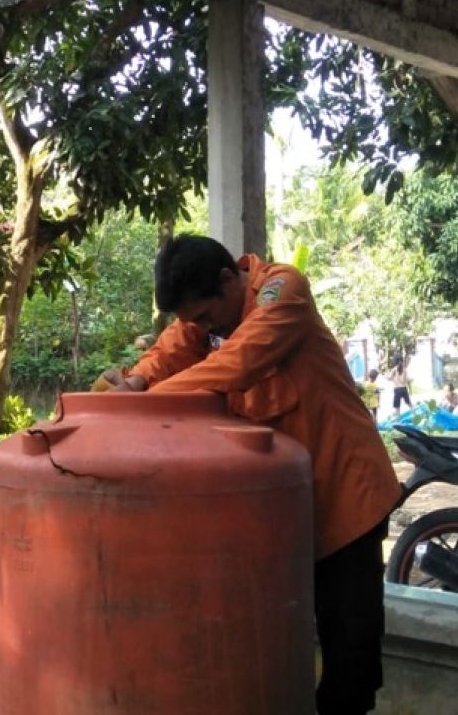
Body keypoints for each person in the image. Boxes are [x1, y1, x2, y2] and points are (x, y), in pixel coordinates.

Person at [94, 235, 401, 715]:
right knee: (278, 643)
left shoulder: (283, 294)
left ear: (226, 280)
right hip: (282, 511)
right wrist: (136, 380)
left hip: (345, 499)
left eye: (201, 315)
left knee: (348, 656)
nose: (199, 326)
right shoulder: (212, 312)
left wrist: (143, 403)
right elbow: (173, 347)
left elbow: (239, 362)